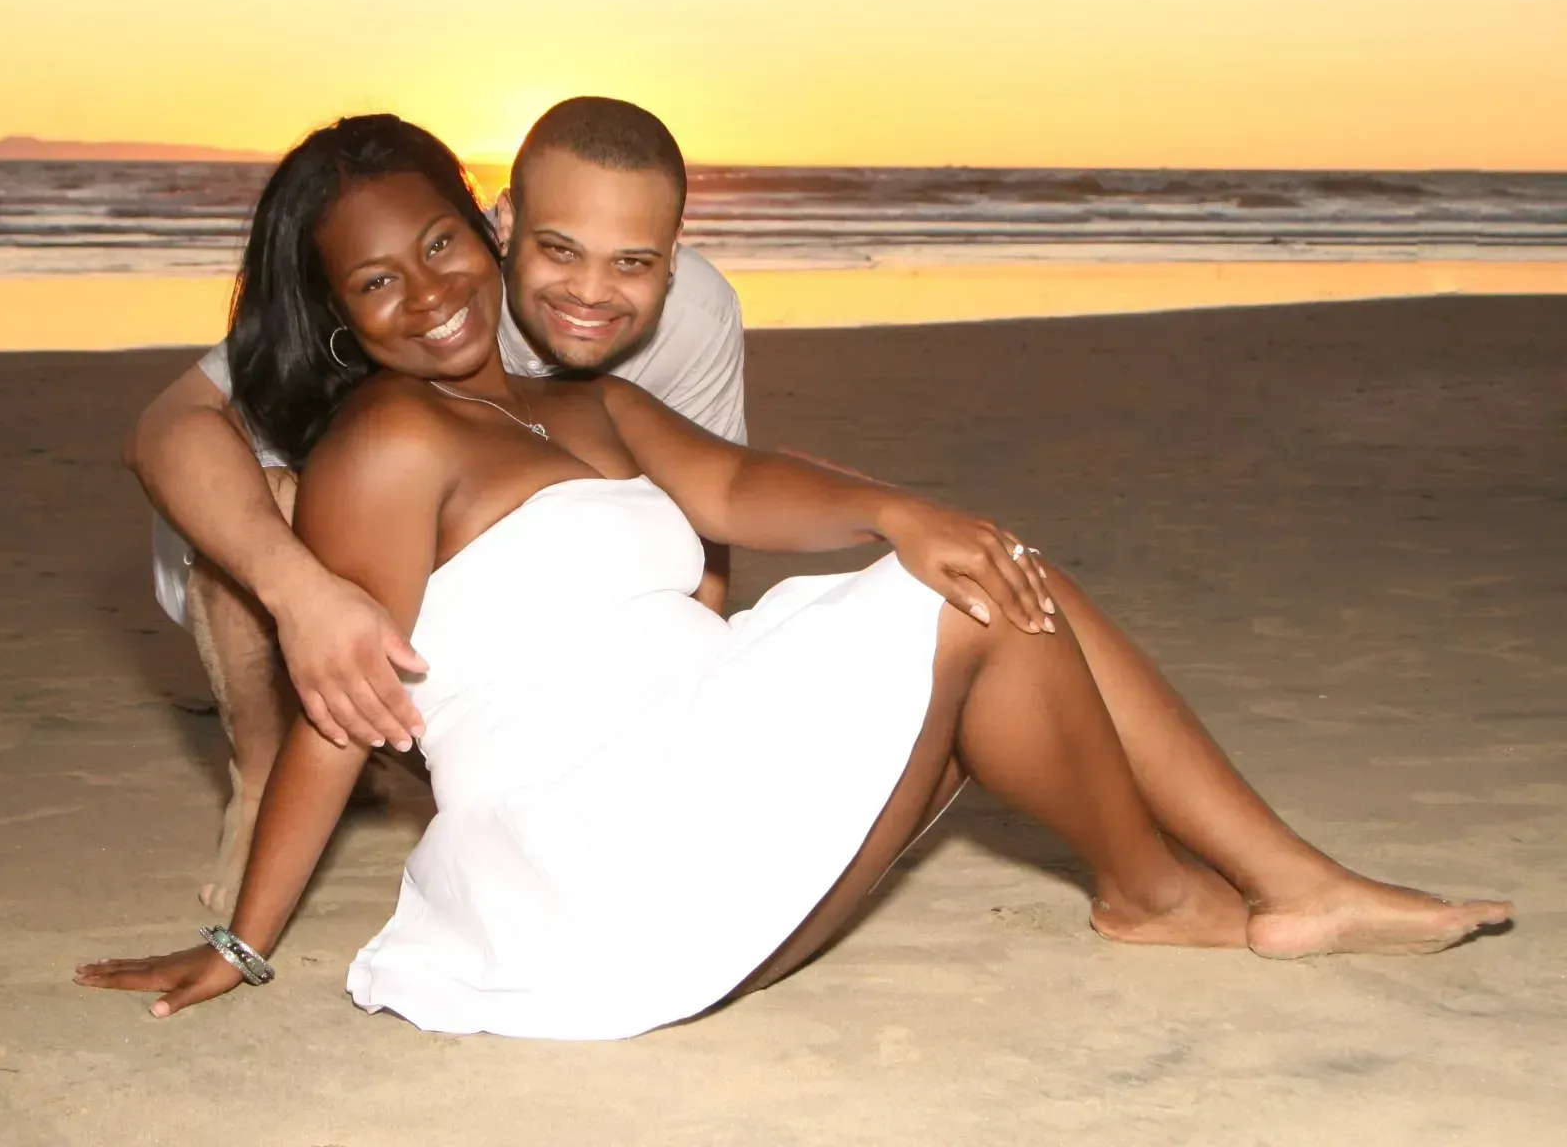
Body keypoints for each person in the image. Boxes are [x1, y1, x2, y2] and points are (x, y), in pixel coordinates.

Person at [76, 116, 1512, 1041]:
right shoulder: (383, 444)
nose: (430, 291)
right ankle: (1170, 891)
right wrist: (240, 944)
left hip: (695, 770)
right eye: (376, 280)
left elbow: (739, 486)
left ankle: (1242, 885)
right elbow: (342, 716)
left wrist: (901, 508)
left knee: (981, 561)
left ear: (485, 227)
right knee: (966, 596)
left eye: (441, 244)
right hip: (598, 852)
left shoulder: (589, 399)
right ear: (339, 311)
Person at [128, 98, 750, 911]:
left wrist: (681, 702)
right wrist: (303, 594)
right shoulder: (395, 280)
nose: (590, 294)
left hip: (498, 550)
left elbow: (706, 514)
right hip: (296, 543)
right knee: (270, 502)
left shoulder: (693, 312)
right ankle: (260, 778)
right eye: (560, 251)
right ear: (506, 226)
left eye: (628, 262)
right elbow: (165, 428)